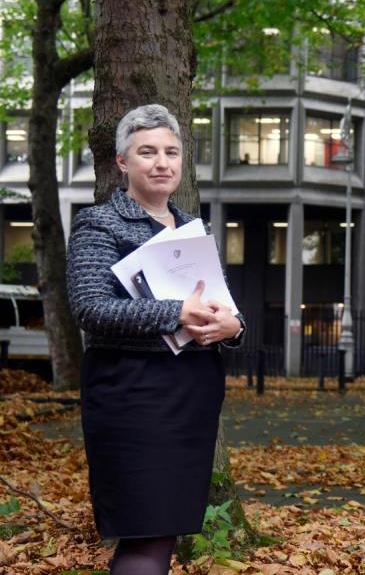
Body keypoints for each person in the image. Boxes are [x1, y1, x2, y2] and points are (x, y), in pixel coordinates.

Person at [67, 104, 245, 575]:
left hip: (191, 393)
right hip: (131, 393)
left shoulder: (194, 228)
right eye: (147, 152)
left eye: (171, 152)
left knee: (164, 532)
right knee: (146, 532)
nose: (161, 162)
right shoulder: (99, 223)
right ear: (123, 161)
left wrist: (234, 327)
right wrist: (175, 313)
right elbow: (90, 309)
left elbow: (221, 303)